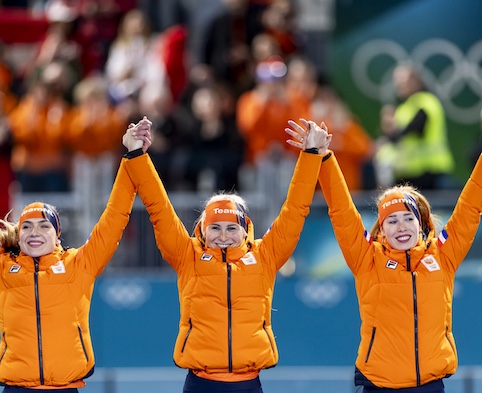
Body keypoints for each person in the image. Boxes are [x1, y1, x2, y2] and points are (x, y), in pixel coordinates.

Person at [123, 115, 331, 393]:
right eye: (215, 228)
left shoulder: (265, 256)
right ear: (202, 231)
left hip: (248, 384)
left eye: (232, 228)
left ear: (246, 231)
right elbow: (158, 208)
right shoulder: (188, 256)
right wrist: (137, 155)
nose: (223, 235)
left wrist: (311, 155)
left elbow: (296, 210)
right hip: (200, 384)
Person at [316, 110, 482, 392]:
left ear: (420, 224)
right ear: (381, 229)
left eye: (408, 219)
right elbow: (341, 211)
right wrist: (324, 157)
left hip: (430, 385)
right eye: (392, 220)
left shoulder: (442, 255)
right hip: (379, 386)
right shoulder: (367, 258)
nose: (401, 227)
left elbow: (470, 209)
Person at [0, 130, 150, 392]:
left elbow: (115, 217)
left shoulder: (79, 264)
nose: (34, 233)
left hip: (65, 387)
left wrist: (132, 156)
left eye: (43, 226)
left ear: (57, 235)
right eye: (27, 227)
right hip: (16, 387)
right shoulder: (0, 269)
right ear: (19, 234)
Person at [375, 62, 455, 189]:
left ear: (414, 80)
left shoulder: (426, 102)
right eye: (397, 81)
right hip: (408, 173)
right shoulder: (405, 107)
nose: (399, 85)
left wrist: (391, 137)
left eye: (403, 80)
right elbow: (394, 136)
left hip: (429, 171)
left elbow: (415, 129)